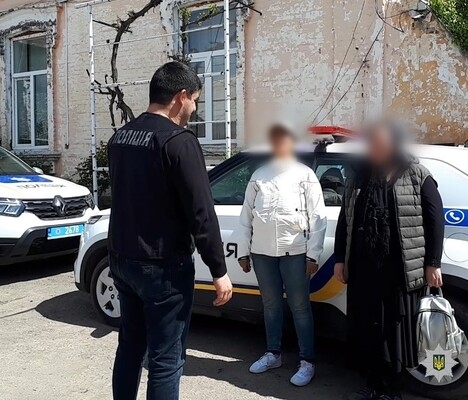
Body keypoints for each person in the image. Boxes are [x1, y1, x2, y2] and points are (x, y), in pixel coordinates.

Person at [107, 61, 233, 400]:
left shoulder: (120, 138)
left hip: (122, 258)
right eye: (195, 100)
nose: (194, 109)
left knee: (130, 346)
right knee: (166, 358)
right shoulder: (179, 141)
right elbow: (201, 211)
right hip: (162, 267)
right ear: (181, 96)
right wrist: (219, 270)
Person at [333, 123, 444, 400]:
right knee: (366, 327)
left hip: (400, 270)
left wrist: (433, 262)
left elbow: (435, 220)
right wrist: (339, 259)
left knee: (395, 331)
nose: (376, 149)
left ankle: (393, 390)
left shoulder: (417, 174)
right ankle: (372, 384)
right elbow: (345, 220)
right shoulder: (359, 176)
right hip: (364, 268)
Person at [235, 123, 327, 387]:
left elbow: (318, 217)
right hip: (262, 253)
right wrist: (243, 252)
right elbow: (246, 217)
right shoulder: (259, 175)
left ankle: (307, 361)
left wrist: (313, 255)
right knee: (271, 304)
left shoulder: (305, 175)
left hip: (295, 252)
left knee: (300, 307)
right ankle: (273, 353)